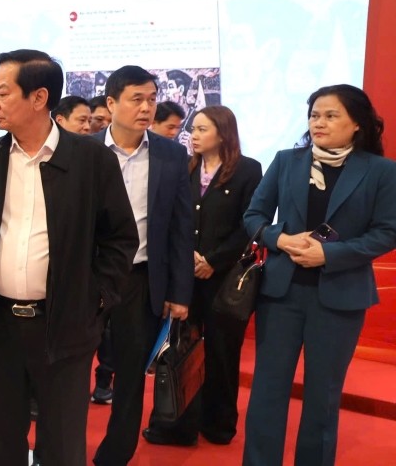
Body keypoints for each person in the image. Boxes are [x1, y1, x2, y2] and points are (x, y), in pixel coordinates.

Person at [0, 50, 137, 466]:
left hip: (65, 326)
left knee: (62, 444)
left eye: (2, 93)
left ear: (39, 98)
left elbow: (120, 239)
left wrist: (96, 299)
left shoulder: (91, 159)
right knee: (1, 441)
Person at [242, 84, 396, 466]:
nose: (319, 123)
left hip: (340, 298)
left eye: (330, 115)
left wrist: (329, 254)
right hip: (281, 295)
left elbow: (387, 232)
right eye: (314, 115)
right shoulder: (286, 161)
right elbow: (254, 217)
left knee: (322, 398)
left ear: (357, 123)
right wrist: (281, 239)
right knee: (267, 391)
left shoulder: (381, 170)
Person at [142, 105, 263, 446]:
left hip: (224, 279)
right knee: (180, 351)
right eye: (192, 129)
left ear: (223, 134)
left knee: (223, 353)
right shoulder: (185, 166)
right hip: (184, 277)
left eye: (201, 129)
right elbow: (171, 216)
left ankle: (218, 424)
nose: (192, 136)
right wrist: (186, 258)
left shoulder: (248, 170)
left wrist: (213, 260)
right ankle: (176, 424)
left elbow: (250, 223)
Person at [93, 65, 194, 466]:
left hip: (140, 278)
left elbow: (181, 228)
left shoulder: (171, 154)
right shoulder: (82, 150)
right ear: (111, 103)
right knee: (68, 366)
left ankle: (114, 456)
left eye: (152, 99)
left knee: (132, 373)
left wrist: (179, 292)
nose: (147, 107)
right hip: (88, 276)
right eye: (136, 99)